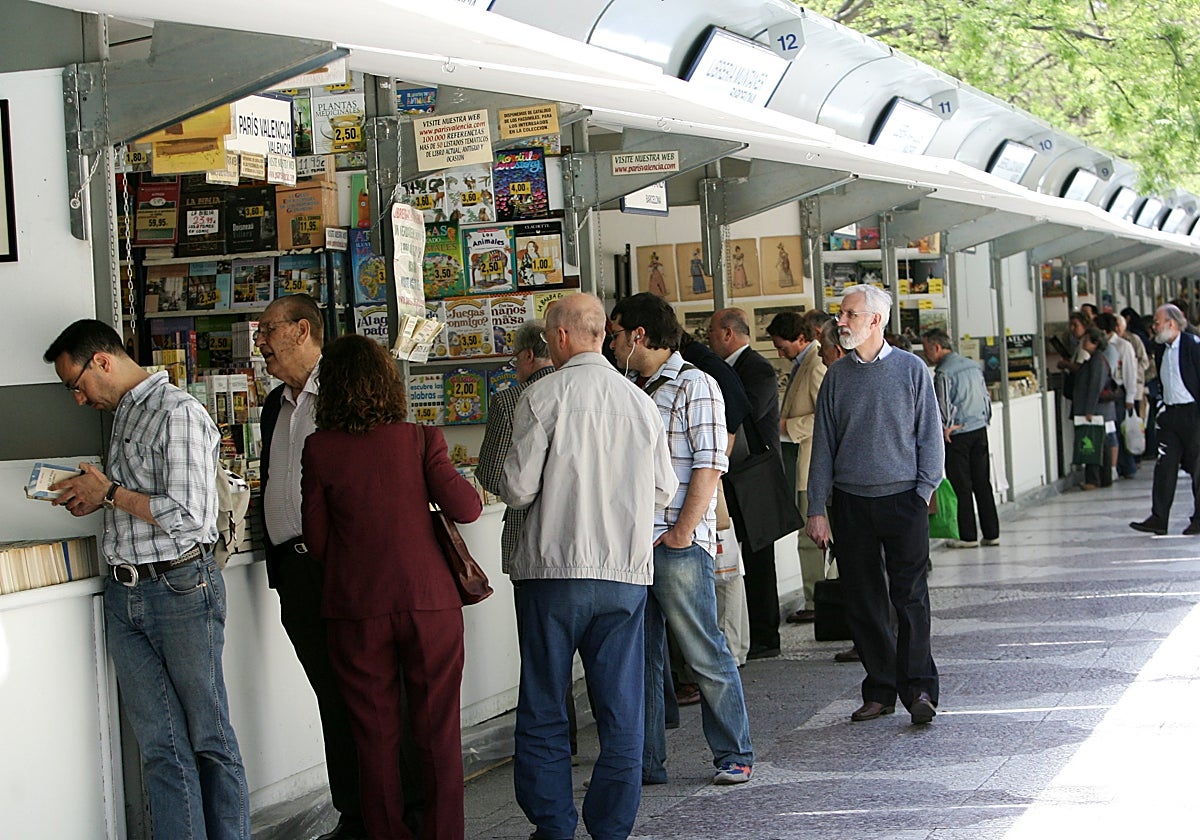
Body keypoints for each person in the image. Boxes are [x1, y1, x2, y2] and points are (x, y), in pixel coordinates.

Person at [44, 319, 250, 839]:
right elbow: (138, 502)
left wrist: (109, 494)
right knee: (161, 745)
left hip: (179, 589)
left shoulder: (176, 412)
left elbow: (190, 516)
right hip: (126, 592)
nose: (78, 398)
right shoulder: (126, 416)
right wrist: (93, 496)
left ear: (103, 361)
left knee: (209, 737)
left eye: (76, 384)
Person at [500, 293, 676, 840]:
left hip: (553, 571)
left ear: (559, 338)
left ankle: (553, 824)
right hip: (624, 576)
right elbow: (664, 489)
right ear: (602, 334)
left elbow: (516, 486)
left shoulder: (541, 397)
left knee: (546, 704)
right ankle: (611, 826)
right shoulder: (639, 402)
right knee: (622, 711)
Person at [301, 335, 482, 840]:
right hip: (430, 603)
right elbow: (466, 509)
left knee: (374, 735)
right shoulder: (423, 439)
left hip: (356, 608)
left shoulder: (320, 449)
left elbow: (316, 542)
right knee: (436, 732)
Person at [609, 292, 754, 786]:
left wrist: (682, 533)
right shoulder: (628, 385)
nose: (611, 341)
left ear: (639, 336)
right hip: (630, 544)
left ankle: (734, 752)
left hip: (676, 542)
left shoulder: (697, 384)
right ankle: (646, 762)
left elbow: (710, 466)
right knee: (641, 657)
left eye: (615, 333)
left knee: (701, 648)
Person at [254, 294, 370, 840]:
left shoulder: (345, 391)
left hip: (343, 567)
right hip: (295, 574)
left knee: (364, 693)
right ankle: (354, 812)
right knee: (330, 694)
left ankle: (387, 811)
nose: (261, 341)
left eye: (269, 330)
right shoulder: (274, 404)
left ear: (303, 330)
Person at [806, 285, 944, 726]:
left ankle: (919, 687)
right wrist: (817, 508)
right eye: (841, 314)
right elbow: (824, 446)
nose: (840, 321)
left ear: (875, 321)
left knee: (910, 598)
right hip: (851, 503)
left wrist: (922, 492)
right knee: (863, 602)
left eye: (849, 314)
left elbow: (930, 435)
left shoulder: (912, 369)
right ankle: (880, 689)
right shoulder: (837, 376)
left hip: (903, 500)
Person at [707, 308, 786, 659]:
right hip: (734, 477)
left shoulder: (758, 368)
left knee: (758, 557)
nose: (707, 340)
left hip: (755, 476)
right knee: (736, 559)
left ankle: (766, 636)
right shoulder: (729, 369)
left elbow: (744, 415)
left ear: (727, 333)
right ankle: (748, 634)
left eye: (711, 332)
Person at [766, 310, 827, 625]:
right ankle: (816, 597)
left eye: (782, 346)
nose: (780, 352)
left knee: (810, 537)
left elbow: (825, 418)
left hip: (810, 464)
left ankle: (819, 599)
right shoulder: (803, 363)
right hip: (801, 462)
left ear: (801, 339)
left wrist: (787, 426)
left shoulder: (816, 365)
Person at [921, 329, 1000, 548]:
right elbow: (986, 397)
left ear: (937, 347)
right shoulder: (973, 366)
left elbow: (942, 405)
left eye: (927, 349)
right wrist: (985, 420)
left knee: (962, 485)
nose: (926, 354)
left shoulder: (944, 373)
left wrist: (945, 428)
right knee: (983, 483)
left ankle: (968, 536)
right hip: (979, 429)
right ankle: (992, 533)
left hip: (958, 436)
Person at [1130, 304, 1200, 536]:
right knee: (1164, 466)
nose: (1154, 327)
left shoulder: (1193, 345)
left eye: (1158, 323)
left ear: (1171, 323)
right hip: (1171, 414)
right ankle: (1159, 518)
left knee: (1198, 467)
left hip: (1193, 413)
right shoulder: (1161, 349)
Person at [1072, 327, 1116, 491]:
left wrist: (1088, 410)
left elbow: (1095, 386)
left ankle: (1094, 479)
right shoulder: (1094, 359)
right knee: (1100, 445)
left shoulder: (1098, 361)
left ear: (1095, 343)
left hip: (1096, 409)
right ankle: (1104, 478)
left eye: (1087, 340)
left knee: (1092, 444)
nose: (1083, 342)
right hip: (1095, 408)